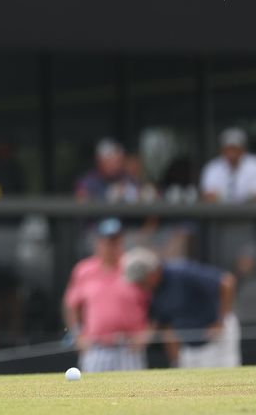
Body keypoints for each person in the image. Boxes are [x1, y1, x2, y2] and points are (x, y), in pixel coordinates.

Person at [123, 248, 240, 368]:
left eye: (142, 281)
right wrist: (175, 362)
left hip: (218, 336)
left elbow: (227, 283)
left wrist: (220, 321)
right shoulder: (154, 292)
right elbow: (166, 327)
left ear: (153, 272)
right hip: (191, 345)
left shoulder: (182, 271)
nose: (141, 287)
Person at [62, 219, 148, 372]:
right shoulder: (84, 270)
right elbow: (70, 305)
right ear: (98, 242)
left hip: (129, 348)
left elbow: (153, 304)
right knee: (93, 394)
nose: (114, 246)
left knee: (134, 394)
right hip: (96, 348)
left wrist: (146, 334)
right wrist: (77, 335)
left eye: (117, 241)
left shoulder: (133, 268)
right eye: (109, 241)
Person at [200, 128, 256, 203]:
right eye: (228, 149)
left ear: (243, 149)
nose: (232, 153)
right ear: (222, 150)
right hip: (220, 213)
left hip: (250, 212)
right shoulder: (213, 167)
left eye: (235, 148)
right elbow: (208, 196)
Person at [75, 139, 140, 203]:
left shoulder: (128, 178)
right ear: (99, 161)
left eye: (118, 161)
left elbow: (141, 193)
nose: (115, 165)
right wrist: (107, 196)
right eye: (110, 160)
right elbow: (81, 201)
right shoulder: (88, 181)